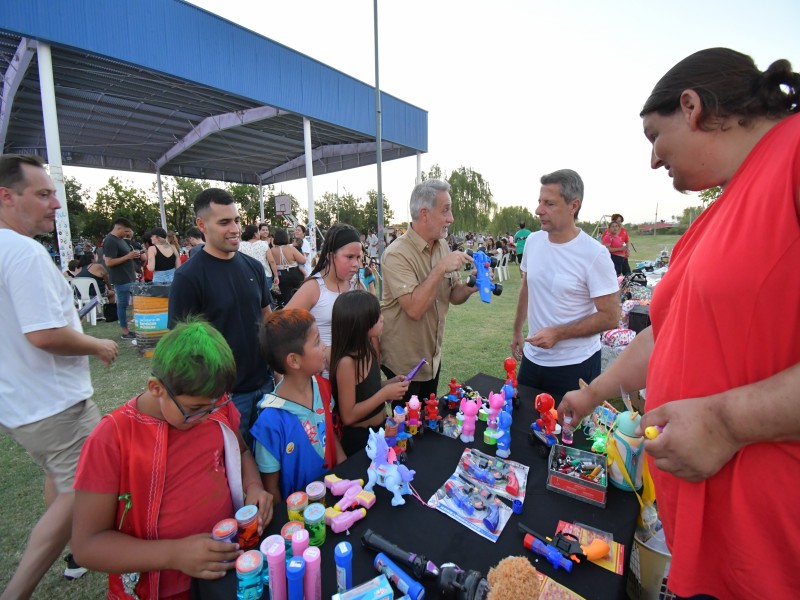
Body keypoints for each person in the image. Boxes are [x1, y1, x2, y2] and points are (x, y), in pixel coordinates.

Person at [560, 48, 800, 598]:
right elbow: (669, 332)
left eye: (653, 135)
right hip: (725, 547)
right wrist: (595, 392)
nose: (652, 160)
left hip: (777, 552)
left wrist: (728, 421)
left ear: (691, 106)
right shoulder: (723, 207)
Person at [72, 320, 273, 599]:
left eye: (216, 405)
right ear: (156, 388)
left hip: (226, 573)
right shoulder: (111, 438)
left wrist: (254, 487)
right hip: (163, 589)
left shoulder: (211, 406)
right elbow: (87, 546)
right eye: (195, 409)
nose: (207, 417)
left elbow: (240, 451)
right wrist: (174, 554)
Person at [0, 153, 118, 600]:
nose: (55, 204)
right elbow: (45, 334)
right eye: (43, 194)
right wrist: (98, 344)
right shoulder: (24, 252)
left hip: (22, 404)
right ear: (7, 197)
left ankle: (74, 552)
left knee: (62, 479)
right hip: (53, 405)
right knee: (81, 491)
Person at [168, 188, 274, 440]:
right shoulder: (188, 277)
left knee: (269, 461)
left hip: (265, 385)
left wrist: (277, 369)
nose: (235, 229)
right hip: (224, 396)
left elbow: (267, 319)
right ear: (201, 225)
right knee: (234, 467)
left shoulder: (254, 268)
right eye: (224, 222)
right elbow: (180, 347)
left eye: (236, 220)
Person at [510, 169, 619, 399]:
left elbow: (610, 316)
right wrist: (517, 330)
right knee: (522, 425)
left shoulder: (594, 254)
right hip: (533, 361)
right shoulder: (533, 241)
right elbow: (527, 287)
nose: (539, 210)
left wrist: (559, 333)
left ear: (573, 206)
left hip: (574, 365)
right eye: (539, 201)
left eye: (549, 203)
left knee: (561, 432)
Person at [380, 179, 478, 403]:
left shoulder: (441, 245)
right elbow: (414, 309)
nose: (451, 218)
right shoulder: (397, 254)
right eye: (446, 210)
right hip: (403, 366)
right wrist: (441, 267)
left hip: (431, 359)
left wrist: (473, 286)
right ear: (424, 214)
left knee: (428, 421)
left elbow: (453, 294)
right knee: (409, 430)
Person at [251, 309, 345, 503]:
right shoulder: (270, 423)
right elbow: (271, 490)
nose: (325, 347)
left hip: (336, 498)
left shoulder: (323, 387)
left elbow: (331, 436)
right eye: (317, 342)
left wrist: (347, 473)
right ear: (294, 360)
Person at [330, 290, 409, 456]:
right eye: (376, 316)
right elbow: (349, 415)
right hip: (360, 440)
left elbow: (366, 390)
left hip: (381, 430)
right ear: (360, 323)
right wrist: (384, 394)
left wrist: (389, 383)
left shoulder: (369, 347)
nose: (382, 318)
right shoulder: (347, 363)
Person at [285, 223, 364, 368]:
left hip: (355, 374)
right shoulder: (314, 288)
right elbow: (282, 327)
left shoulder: (356, 285)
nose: (356, 264)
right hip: (323, 378)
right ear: (330, 256)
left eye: (358, 257)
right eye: (349, 257)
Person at [103, 216, 141, 339]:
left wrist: (132, 256)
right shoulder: (110, 241)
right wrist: (128, 257)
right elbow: (108, 262)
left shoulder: (119, 240)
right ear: (118, 228)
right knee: (123, 305)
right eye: (126, 231)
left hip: (129, 277)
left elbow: (125, 255)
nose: (127, 233)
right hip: (121, 279)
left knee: (135, 303)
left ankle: (132, 329)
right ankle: (125, 332)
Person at [269, 228, 307, 305]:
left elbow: (271, 262)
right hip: (295, 273)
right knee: (299, 296)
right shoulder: (291, 248)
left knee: (287, 298)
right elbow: (303, 260)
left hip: (281, 275)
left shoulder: (272, 250)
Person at [239, 224, 279, 293]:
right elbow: (271, 261)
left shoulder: (240, 245)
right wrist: (276, 276)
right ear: (255, 234)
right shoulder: (264, 244)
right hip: (264, 275)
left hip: (247, 276)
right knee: (265, 299)